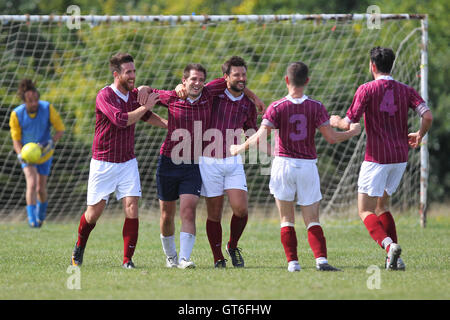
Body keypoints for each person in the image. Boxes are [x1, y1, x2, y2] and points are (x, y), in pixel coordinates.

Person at [230, 61, 361, 272]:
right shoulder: (316, 107)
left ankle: (293, 263)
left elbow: (259, 137)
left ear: (286, 80)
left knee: (286, 219)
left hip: (283, 165)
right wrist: (352, 132)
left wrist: (239, 148)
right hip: (307, 166)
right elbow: (331, 138)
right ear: (307, 81)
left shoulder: (277, 106)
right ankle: (321, 261)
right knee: (312, 219)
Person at [330, 47, 433, 270]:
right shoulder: (406, 90)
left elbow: (349, 123)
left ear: (372, 66)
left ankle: (389, 247)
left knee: (364, 210)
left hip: (376, 157)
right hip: (399, 157)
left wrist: (335, 121)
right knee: (383, 206)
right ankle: (395, 259)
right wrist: (419, 134)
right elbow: (427, 116)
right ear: (391, 65)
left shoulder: (366, 90)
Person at [70, 52, 167, 269]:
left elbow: (145, 115)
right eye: (128, 72)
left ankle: (127, 260)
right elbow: (121, 120)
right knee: (94, 213)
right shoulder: (104, 95)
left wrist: (169, 124)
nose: (132, 75)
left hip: (127, 162)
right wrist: (146, 106)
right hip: (103, 162)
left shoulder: (134, 95)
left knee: (132, 207)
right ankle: (79, 246)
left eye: (134, 71)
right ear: (116, 74)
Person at [199, 56, 258, 268]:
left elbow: (251, 132)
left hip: (233, 161)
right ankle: (218, 258)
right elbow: (203, 86)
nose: (241, 78)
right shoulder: (214, 95)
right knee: (214, 213)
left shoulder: (248, 105)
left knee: (241, 210)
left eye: (244, 74)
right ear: (226, 77)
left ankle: (232, 246)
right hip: (208, 161)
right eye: (236, 75)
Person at [9, 79, 65, 228]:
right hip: (26, 155)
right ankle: (32, 221)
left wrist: (51, 142)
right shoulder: (16, 114)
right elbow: (16, 139)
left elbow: (60, 129)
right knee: (32, 183)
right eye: (30, 100)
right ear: (24, 100)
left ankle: (41, 216)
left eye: (36, 100)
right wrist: (21, 154)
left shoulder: (47, 108)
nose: (34, 103)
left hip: (45, 154)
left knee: (41, 188)